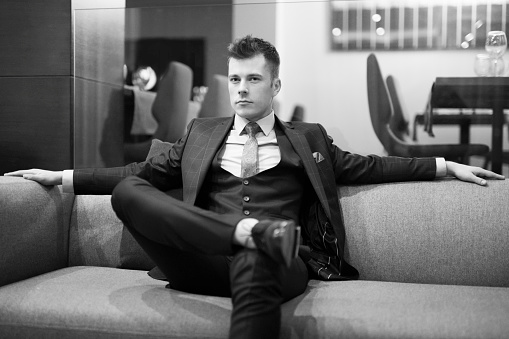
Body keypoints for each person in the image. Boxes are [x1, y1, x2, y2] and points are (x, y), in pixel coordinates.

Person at [5, 35, 505, 338]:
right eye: (234, 80)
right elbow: (138, 176)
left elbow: (371, 165)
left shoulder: (308, 139)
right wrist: (64, 177)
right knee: (129, 195)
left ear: (275, 86)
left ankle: (253, 241)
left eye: (252, 80)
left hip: (278, 260)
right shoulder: (201, 133)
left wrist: (446, 165)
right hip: (198, 260)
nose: (241, 90)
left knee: (257, 262)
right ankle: (244, 233)